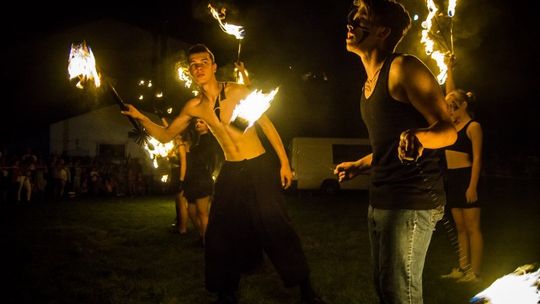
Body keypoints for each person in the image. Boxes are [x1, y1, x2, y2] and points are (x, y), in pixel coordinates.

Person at [122, 44, 325, 304]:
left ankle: (306, 289)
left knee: (276, 226)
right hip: (231, 170)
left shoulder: (238, 91)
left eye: (204, 61)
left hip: (258, 165)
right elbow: (165, 135)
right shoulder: (194, 106)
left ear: (214, 66)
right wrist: (140, 117)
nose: (198, 67)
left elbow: (267, 126)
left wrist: (284, 163)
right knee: (219, 233)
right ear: (190, 71)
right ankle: (226, 291)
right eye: (193, 64)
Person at [334, 1, 457, 303]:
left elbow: (448, 130)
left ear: (382, 31)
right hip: (382, 198)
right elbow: (390, 145)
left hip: (411, 200)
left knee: (400, 292)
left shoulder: (403, 68)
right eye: (354, 16)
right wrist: (360, 165)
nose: (351, 23)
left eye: (362, 18)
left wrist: (421, 136)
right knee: (385, 287)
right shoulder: (368, 83)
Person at [440, 55, 483, 283]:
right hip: (453, 179)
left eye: (453, 107)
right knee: (460, 228)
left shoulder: (472, 126)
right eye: (448, 107)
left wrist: (472, 186)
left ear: (464, 105)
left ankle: (474, 273)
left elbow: (477, 159)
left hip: (468, 177)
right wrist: (448, 68)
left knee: (472, 227)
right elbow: (451, 91)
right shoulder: (452, 126)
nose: (449, 110)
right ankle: (462, 268)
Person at [183, 118, 223, 245]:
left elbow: (200, 160)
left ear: (207, 125)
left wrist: (187, 150)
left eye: (201, 122)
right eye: (197, 122)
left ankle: (207, 242)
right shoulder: (196, 140)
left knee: (202, 212)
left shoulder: (208, 141)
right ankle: (202, 236)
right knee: (191, 211)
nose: (198, 124)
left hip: (201, 180)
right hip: (192, 180)